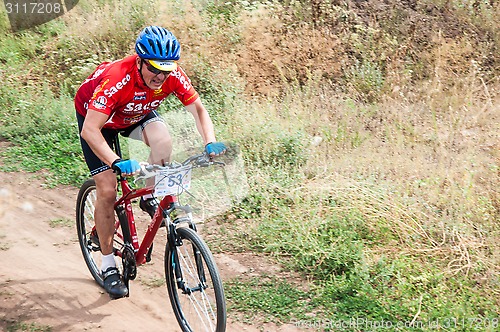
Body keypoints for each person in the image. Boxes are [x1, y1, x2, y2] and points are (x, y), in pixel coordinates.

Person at [74, 26, 226, 299]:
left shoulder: (171, 75)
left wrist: (210, 141)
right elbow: (89, 131)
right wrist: (115, 161)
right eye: (154, 69)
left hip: (135, 112)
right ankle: (108, 266)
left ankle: (149, 194)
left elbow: (199, 110)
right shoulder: (117, 78)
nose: (160, 76)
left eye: (166, 70)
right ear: (140, 60)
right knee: (108, 190)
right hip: (98, 121)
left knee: (163, 141)